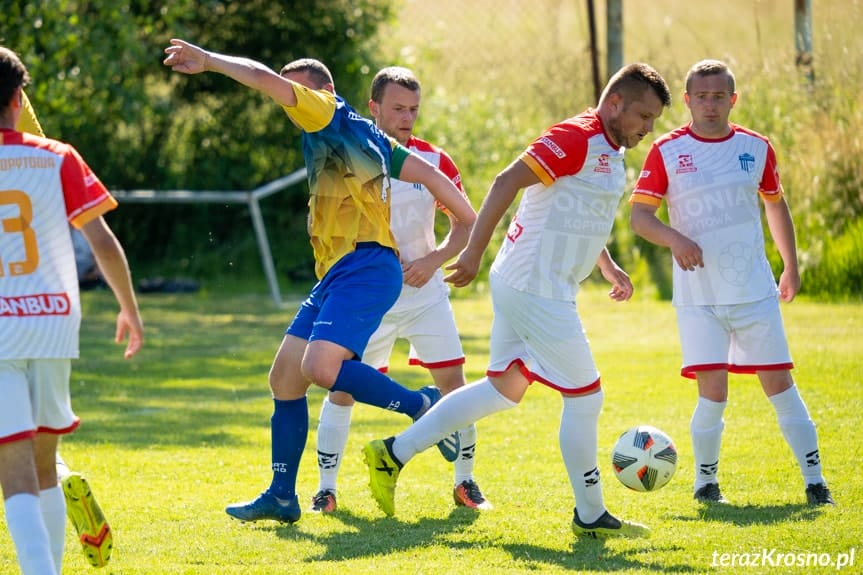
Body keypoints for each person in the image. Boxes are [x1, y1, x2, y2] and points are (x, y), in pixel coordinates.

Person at [162, 40, 476, 525]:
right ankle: (282, 496)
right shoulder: (369, 136)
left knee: (321, 367)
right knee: (285, 377)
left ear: (324, 91)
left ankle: (421, 404)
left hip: (366, 267)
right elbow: (435, 179)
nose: (286, 99)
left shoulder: (325, 109)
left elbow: (265, 78)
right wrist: (465, 221)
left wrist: (209, 61)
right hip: (337, 275)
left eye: (295, 90)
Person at [362, 63, 671, 538]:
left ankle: (392, 454)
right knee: (587, 396)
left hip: (537, 285)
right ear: (615, 105)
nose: (648, 129)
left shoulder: (610, 149)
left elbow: (579, 212)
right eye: (644, 117)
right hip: (535, 289)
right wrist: (471, 251)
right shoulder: (575, 137)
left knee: (503, 390)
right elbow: (506, 181)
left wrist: (606, 265)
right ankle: (590, 513)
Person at [629, 59, 834, 507]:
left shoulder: (756, 148)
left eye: (718, 96)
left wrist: (790, 265)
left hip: (753, 293)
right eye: (700, 96)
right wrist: (675, 238)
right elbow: (640, 218)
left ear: (732, 99)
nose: (709, 104)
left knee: (780, 385)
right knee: (712, 393)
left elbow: (775, 205)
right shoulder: (665, 150)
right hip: (699, 298)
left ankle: (816, 482)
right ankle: (706, 484)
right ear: (686, 101)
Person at [310, 66, 489, 514]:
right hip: (370, 301)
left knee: (456, 390)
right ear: (373, 108)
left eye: (413, 109)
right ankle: (326, 489)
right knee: (342, 390)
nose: (407, 118)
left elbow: (465, 224)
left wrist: (434, 261)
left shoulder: (434, 161)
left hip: (426, 296)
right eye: (397, 109)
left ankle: (466, 483)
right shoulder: (350, 156)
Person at [0, 46, 144, 574]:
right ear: (19, 99)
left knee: (11, 463)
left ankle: (40, 569)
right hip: (52, 322)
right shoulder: (58, 155)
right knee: (42, 460)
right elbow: (102, 242)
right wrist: (129, 308)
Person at [16, 88, 115, 569]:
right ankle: (58, 472)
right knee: (35, 437)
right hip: (44, 304)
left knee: (12, 453)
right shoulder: (37, 137)